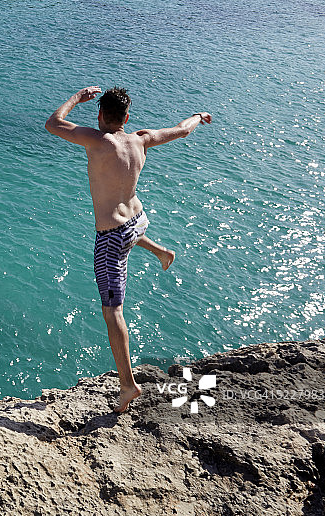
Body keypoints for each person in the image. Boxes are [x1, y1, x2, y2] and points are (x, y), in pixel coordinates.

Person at [45, 85, 211, 412]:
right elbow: (181, 130)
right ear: (127, 117)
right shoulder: (141, 139)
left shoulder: (96, 140)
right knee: (131, 233)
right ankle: (162, 252)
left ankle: (128, 385)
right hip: (138, 218)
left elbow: (53, 123)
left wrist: (77, 98)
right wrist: (198, 115)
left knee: (113, 312)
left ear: (100, 115)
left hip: (112, 235)